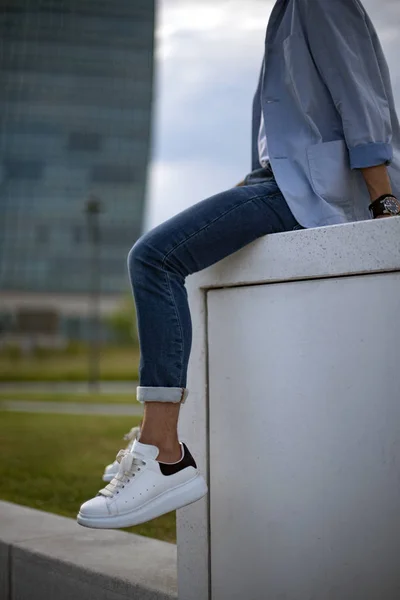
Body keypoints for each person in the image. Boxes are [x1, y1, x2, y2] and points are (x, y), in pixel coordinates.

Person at [77, 0, 400, 529]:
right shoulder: (288, 11)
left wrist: (384, 203)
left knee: (154, 258)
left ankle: (162, 450)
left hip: (313, 190)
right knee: (172, 256)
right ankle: (160, 447)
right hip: (279, 181)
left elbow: (362, 97)